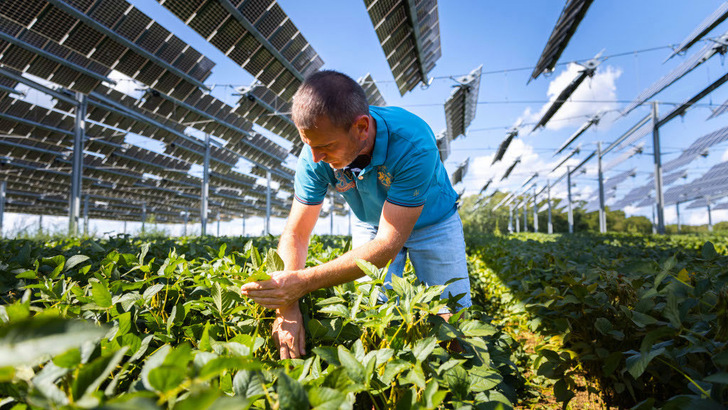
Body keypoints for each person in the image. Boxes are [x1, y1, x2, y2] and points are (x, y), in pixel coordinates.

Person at [241, 70, 471, 359]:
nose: (316, 158)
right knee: (370, 311)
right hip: (372, 223)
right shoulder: (315, 154)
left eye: (325, 147)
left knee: (452, 315)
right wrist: (286, 307)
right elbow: (296, 234)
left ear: (362, 127)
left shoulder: (412, 142)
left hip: (434, 222)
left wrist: (303, 283)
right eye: (310, 146)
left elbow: (388, 244)